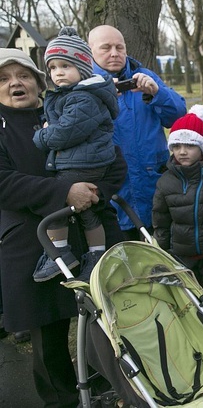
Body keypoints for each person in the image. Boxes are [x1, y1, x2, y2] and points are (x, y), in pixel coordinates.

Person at [0, 48, 125, 408]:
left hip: (89, 233)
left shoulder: (70, 109)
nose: (15, 83)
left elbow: (113, 161)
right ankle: (63, 400)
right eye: (5, 78)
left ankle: (109, 389)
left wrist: (93, 192)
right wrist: (63, 192)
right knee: (49, 335)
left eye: (23, 75)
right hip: (30, 240)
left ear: (38, 82)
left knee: (106, 321)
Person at [32, 27, 119, 283]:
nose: (58, 73)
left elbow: (66, 132)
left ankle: (60, 253)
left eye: (65, 66)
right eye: (53, 68)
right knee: (86, 213)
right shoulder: (74, 95)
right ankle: (95, 256)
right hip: (85, 160)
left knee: (58, 199)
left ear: (82, 68)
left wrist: (42, 135)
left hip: (85, 162)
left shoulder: (83, 98)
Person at [151, 105, 203, 351]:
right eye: (176, 146)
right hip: (182, 253)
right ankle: (199, 339)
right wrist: (165, 249)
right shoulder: (166, 181)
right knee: (190, 299)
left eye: (188, 145)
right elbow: (161, 218)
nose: (182, 151)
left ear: (202, 147)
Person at [88, 25, 186, 239]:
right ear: (91, 51)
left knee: (158, 258)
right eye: (106, 48)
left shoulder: (145, 76)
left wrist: (157, 93)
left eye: (119, 47)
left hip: (153, 184)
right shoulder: (84, 84)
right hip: (112, 192)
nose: (114, 53)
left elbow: (178, 117)